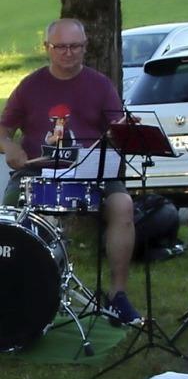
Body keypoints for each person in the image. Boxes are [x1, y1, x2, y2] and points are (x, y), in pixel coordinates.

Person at [0, 18, 141, 324]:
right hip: (37, 171)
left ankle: (118, 295)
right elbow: (3, 130)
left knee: (123, 204)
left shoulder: (101, 86)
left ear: (85, 47)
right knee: (12, 214)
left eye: (75, 46)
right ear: (47, 48)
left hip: (93, 171)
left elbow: (118, 132)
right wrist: (10, 148)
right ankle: (25, 293)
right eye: (60, 46)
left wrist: (127, 132)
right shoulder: (30, 86)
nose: (68, 53)